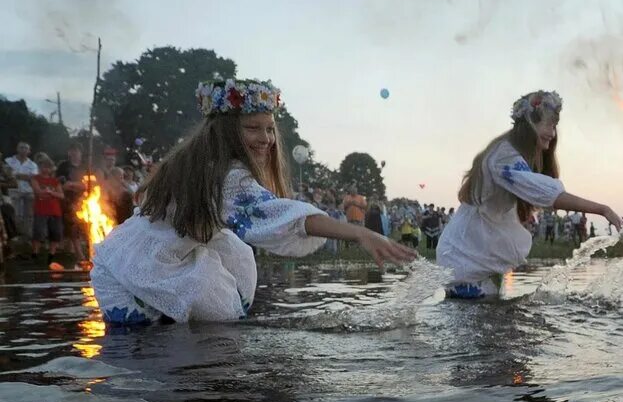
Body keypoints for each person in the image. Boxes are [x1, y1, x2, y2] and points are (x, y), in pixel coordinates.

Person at [90, 78, 416, 325]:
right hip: (139, 271)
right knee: (159, 349)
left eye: (270, 129)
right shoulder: (225, 176)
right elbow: (281, 216)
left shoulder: (193, 163)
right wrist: (360, 233)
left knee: (229, 262)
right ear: (227, 132)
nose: (266, 139)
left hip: (130, 258)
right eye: (253, 128)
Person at [436, 90, 622, 298]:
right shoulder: (504, 156)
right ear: (530, 123)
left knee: (491, 317)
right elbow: (545, 192)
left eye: (555, 126)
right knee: (484, 318)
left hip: (473, 252)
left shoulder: (510, 154)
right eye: (549, 125)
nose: (552, 134)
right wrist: (603, 209)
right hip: (466, 256)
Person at [29, 153, 65, 257]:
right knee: (38, 231)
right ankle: (35, 252)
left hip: (55, 210)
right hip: (41, 209)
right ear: (39, 167)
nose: (46, 169)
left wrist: (51, 193)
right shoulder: (35, 178)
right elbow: (38, 191)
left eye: (48, 167)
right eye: (43, 166)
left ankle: (51, 253)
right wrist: (49, 193)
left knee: (55, 232)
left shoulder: (55, 181)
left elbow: (61, 195)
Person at [5, 142, 38, 237]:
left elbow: (33, 178)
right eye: (21, 147)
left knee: (29, 215)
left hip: (28, 191)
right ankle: (15, 235)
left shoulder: (33, 165)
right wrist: (25, 176)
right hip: (14, 190)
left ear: (29, 151)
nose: (23, 150)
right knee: (15, 213)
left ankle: (27, 235)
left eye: (26, 148)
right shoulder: (9, 161)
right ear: (17, 149)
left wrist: (16, 175)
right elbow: (7, 175)